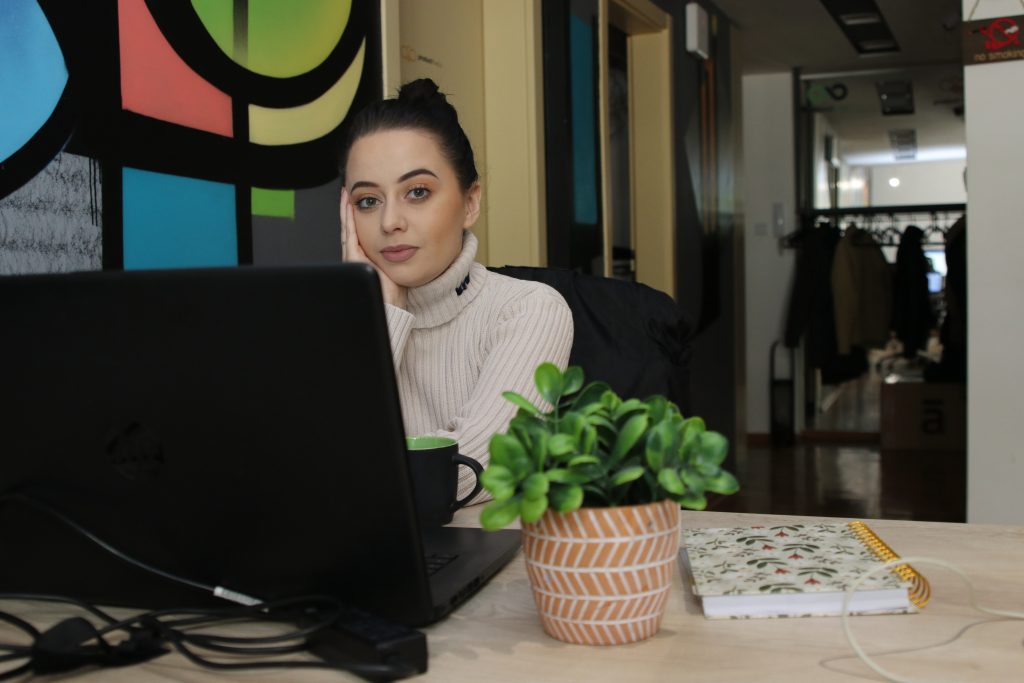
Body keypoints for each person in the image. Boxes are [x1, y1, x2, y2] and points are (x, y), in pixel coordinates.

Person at [339, 78, 574, 502]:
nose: (390, 221)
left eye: (417, 192)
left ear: (470, 203)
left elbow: (464, 476)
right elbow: (315, 475)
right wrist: (379, 312)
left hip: (493, 560)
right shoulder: (331, 318)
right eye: (368, 201)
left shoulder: (529, 310)